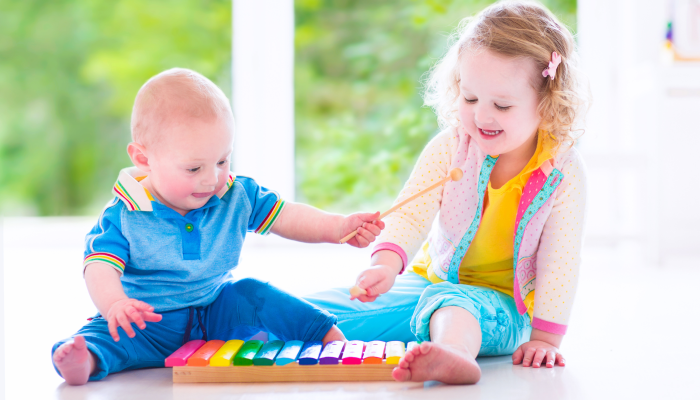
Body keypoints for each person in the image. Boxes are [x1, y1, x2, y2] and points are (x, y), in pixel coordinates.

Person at [305, 0, 588, 384]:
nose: (482, 116)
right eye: (470, 98)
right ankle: (234, 321)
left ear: (547, 102)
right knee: (320, 315)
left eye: (502, 105)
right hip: (432, 281)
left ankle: (451, 354)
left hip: (506, 307)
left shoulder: (563, 172)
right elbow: (411, 212)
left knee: (455, 306)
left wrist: (545, 339)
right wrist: (385, 266)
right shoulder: (450, 146)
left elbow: (560, 261)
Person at [51, 68, 384, 385]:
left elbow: (288, 216)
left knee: (255, 293)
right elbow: (98, 267)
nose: (211, 179)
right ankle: (85, 361)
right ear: (143, 158)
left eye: (222, 160)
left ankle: (327, 337)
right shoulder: (122, 215)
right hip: (147, 322)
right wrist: (115, 304)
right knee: (106, 336)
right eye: (194, 168)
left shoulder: (236, 193)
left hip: (215, 311)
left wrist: (338, 227)